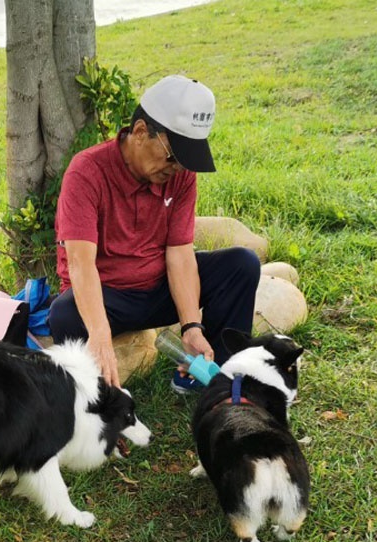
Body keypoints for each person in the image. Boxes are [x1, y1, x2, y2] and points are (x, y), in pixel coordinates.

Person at [48, 74, 260, 392]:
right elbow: (80, 263)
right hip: (110, 297)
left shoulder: (180, 176)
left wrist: (191, 325)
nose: (176, 169)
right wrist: (100, 335)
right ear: (140, 132)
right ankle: (89, 389)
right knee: (63, 314)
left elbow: (179, 252)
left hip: (158, 290)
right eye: (173, 157)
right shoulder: (87, 171)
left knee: (241, 264)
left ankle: (217, 377)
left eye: (185, 161)